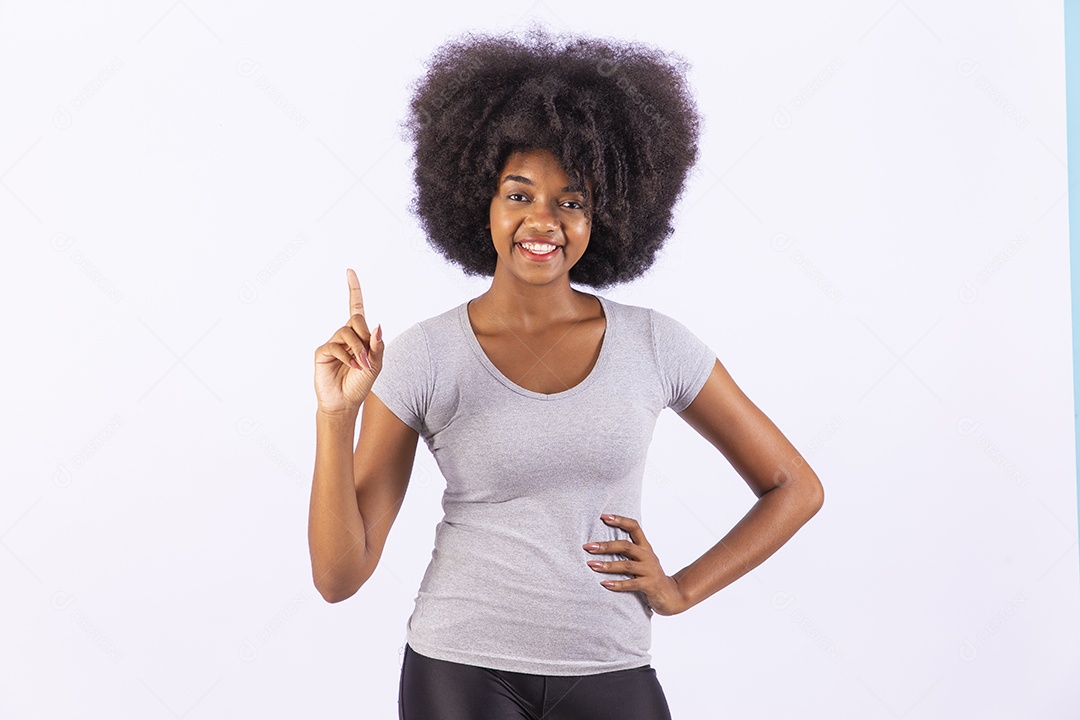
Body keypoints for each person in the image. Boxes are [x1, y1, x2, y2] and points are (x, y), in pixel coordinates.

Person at [309, 27, 824, 720]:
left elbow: (795, 487)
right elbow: (339, 577)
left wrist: (680, 590)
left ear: (602, 215)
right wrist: (336, 416)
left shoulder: (654, 344)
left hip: (610, 665)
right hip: (459, 670)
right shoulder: (423, 356)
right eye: (518, 194)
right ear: (481, 203)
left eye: (571, 201)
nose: (542, 221)